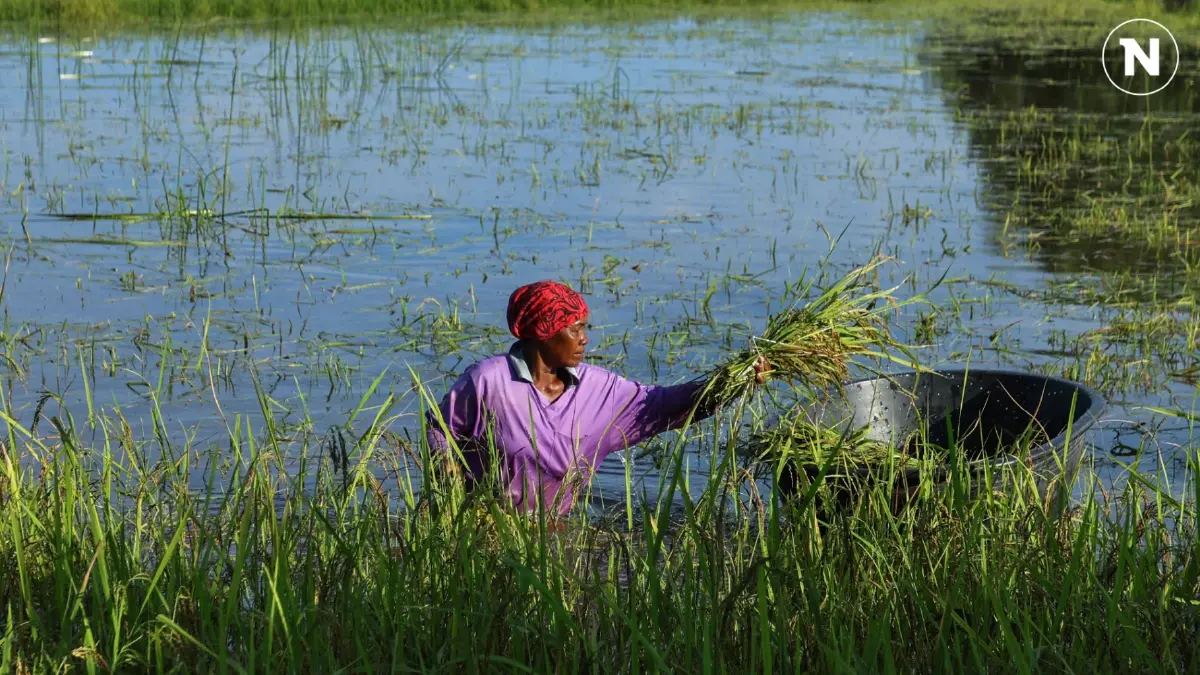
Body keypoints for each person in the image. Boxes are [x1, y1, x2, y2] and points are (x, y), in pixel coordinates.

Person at [425, 280, 769, 515]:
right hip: (486, 526)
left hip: (556, 528)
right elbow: (440, 429)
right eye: (574, 328)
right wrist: (449, 476)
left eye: (584, 327)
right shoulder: (489, 381)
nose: (584, 339)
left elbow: (667, 405)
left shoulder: (599, 390)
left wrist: (733, 381)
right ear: (544, 331)